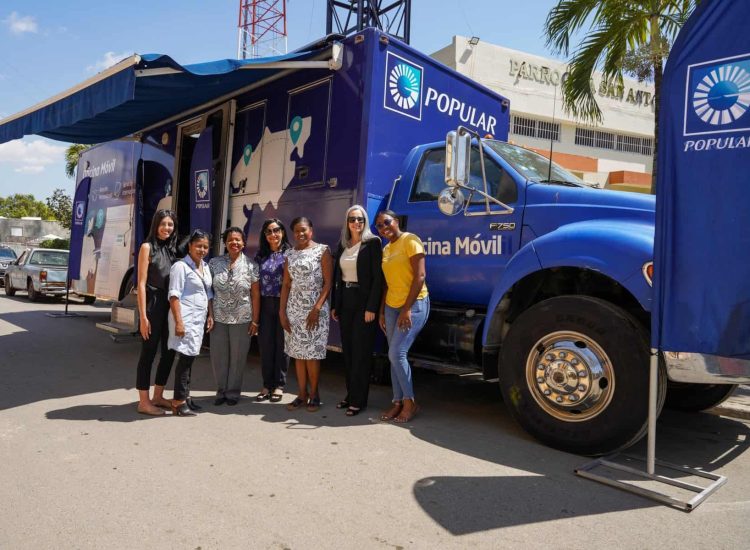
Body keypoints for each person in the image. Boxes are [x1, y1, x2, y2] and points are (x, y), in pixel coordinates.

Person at [375, 210, 429, 423]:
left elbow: (420, 276)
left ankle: (410, 402)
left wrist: (406, 309)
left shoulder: (410, 240)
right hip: (391, 306)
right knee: (392, 355)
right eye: (379, 225)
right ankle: (397, 402)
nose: (383, 227)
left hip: (414, 304)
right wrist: (381, 310)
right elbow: (387, 283)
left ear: (396, 221)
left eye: (386, 222)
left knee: (397, 353)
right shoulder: (386, 248)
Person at [331, 205, 383, 417]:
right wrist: (336, 304)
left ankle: (358, 401)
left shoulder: (372, 243)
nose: (356, 223)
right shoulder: (343, 245)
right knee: (349, 352)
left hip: (364, 303)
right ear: (347, 222)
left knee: (361, 353)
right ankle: (351, 394)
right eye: (352, 219)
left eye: (360, 219)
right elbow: (337, 278)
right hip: (346, 301)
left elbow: (378, 279)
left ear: (365, 221)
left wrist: (372, 307)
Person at [280, 217, 333, 412]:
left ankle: (314, 394)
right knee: (298, 354)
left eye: (304, 230)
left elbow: (328, 283)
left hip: (315, 311)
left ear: (311, 230)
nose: (300, 234)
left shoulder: (322, 251)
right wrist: (282, 312)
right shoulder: (290, 254)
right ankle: (301, 395)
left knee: (312, 355)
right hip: (294, 310)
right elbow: (286, 285)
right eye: (296, 231)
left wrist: (317, 308)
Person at [134, 209, 179, 416]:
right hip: (152, 306)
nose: (167, 228)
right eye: (163, 224)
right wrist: (143, 317)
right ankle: (144, 402)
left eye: (170, 224)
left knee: (169, 352)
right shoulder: (147, 247)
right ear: (156, 225)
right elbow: (141, 284)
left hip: (169, 307)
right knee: (148, 354)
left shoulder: (172, 250)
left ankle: (158, 396)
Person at [208, 227, 260, 406]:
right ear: (225, 243)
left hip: (242, 318)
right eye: (230, 240)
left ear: (244, 243)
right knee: (219, 356)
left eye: (238, 239)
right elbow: (209, 292)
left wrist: (255, 320)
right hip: (219, 317)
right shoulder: (214, 264)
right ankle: (221, 390)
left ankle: (232, 392)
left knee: (238, 357)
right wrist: (210, 314)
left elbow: (255, 295)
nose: (234, 243)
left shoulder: (251, 265)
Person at [168, 229, 214, 417]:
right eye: (198, 246)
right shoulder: (180, 267)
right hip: (185, 319)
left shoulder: (205, 266)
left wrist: (210, 315)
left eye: (205, 246)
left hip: (198, 319)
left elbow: (208, 293)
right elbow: (173, 295)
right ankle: (178, 402)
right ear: (190, 246)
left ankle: (186, 397)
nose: (202, 249)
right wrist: (179, 323)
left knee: (191, 357)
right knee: (185, 360)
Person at [254, 218, 291, 403]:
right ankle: (266, 385)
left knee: (282, 347)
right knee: (266, 346)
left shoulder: (291, 254)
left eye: (276, 230)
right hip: (265, 304)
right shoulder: (261, 256)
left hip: (284, 305)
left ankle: (279, 385)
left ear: (283, 232)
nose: (273, 234)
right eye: (269, 231)